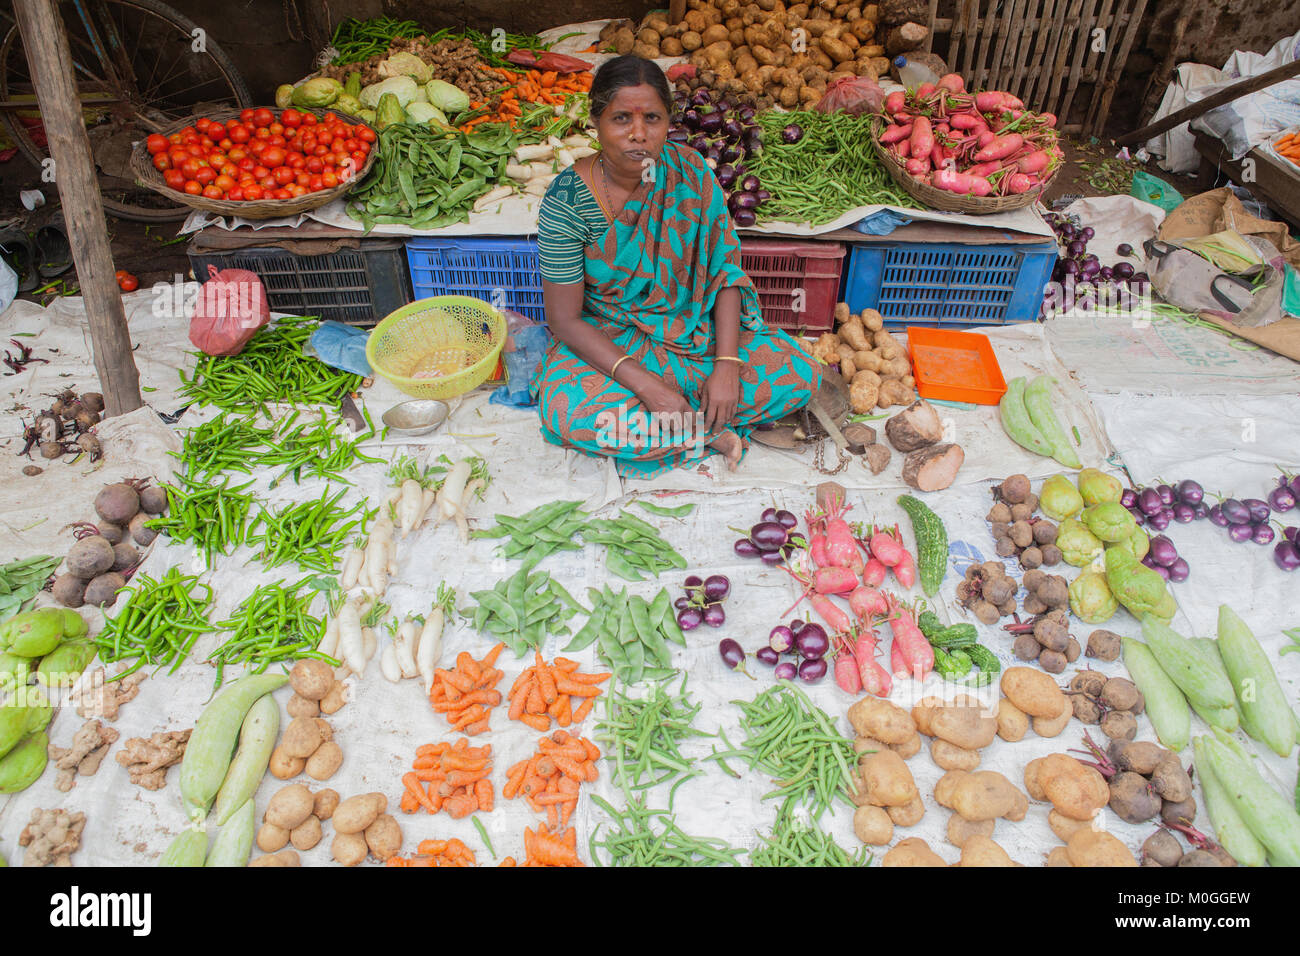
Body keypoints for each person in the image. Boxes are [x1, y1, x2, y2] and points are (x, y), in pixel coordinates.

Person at [531, 54, 821, 478]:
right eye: (620, 119)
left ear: (669, 120)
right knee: (567, 411)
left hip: (693, 334)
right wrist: (647, 387)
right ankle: (708, 430)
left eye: (652, 118)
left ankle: (685, 420)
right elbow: (564, 319)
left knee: (800, 373)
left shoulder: (688, 171)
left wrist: (725, 365)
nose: (638, 134)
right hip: (614, 345)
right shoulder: (567, 201)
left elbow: (724, 271)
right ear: (595, 122)